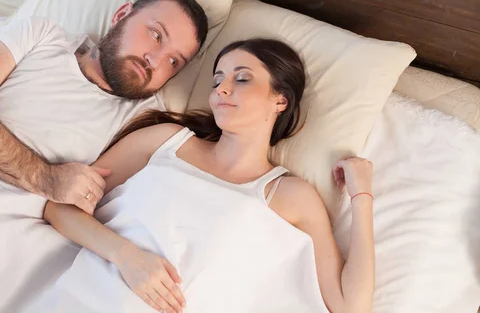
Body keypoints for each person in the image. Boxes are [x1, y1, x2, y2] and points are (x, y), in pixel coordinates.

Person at [41, 39, 375, 313]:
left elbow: (348, 306)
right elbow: (60, 208)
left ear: (280, 100)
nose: (221, 89)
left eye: (241, 79)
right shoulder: (163, 141)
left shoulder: (289, 196)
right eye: (217, 80)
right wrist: (125, 255)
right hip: (80, 299)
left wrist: (362, 197)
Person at [0, 0, 208, 215]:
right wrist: (44, 177)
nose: (155, 61)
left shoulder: (143, 120)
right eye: (156, 35)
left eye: (174, 61)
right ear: (121, 14)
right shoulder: (42, 35)